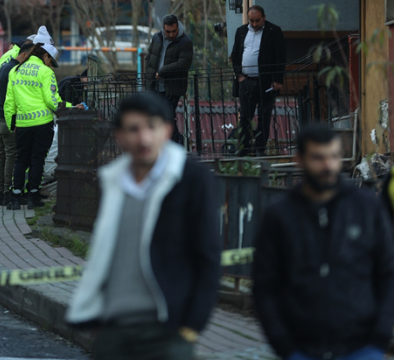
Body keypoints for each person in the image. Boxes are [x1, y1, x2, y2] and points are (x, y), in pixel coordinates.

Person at [66, 92, 221, 360]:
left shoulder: (191, 179)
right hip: (113, 331)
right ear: (119, 135)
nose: (144, 138)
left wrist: (191, 327)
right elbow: (103, 252)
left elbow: (208, 256)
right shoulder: (113, 180)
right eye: (134, 129)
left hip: (167, 332)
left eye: (152, 127)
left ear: (167, 130)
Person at [253, 125, 394, 360]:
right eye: (318, 158)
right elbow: (265, 284)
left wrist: (379, 337)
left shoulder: (366, 207)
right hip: (301, 347)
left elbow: (387, 273)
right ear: (299, 159)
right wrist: (283, 343)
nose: (328, 166)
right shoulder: (279, 216)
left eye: (334, 156)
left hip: (362, 346)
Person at [4, 26, 84, 209]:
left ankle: (16, 196)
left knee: (21, 159)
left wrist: (11, 123)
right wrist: (72, 108)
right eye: (51, 61)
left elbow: (9, 101)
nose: (50, 65)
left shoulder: (15, 70)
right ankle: (33, 196)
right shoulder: (46, 73)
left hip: (22, 124)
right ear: (46, 56)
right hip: (42, 124)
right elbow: (52, 101)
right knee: (37, 159)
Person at [231, 5, 286, 156]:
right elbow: (235, 55)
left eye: (258, 20)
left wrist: (277, 80)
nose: (254, 24)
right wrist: (239, 76)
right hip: (246, 81)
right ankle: (244, 148)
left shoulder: (273, 31)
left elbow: (280, 57)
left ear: (264, 17)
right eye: (251, 20)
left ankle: (260, 149)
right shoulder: (241, 31)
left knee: (264, 116)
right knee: (245, 117)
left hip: (266, 82)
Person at [0, 42, 34, 207]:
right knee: (12, 156)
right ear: (23, 55)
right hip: (5, 118)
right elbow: (12, 99)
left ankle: (2, 192)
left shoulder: (4, 66)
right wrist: (14, 121)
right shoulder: (14, 70)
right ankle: (8, 192)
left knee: (2, 155)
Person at [145, 14, 193, 144]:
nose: (171, 34)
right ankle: (170, 144)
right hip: (155, 86)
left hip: (172, 87)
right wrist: (149, 77)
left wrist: (162, 72)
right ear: (163, 29)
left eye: (174, 31)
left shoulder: (185, 41)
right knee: (157, 117)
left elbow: (183, 64)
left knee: (167, 117)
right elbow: (149, 58)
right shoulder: (157, 37)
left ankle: (176, 144)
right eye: (168, 32)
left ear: (178, 27)